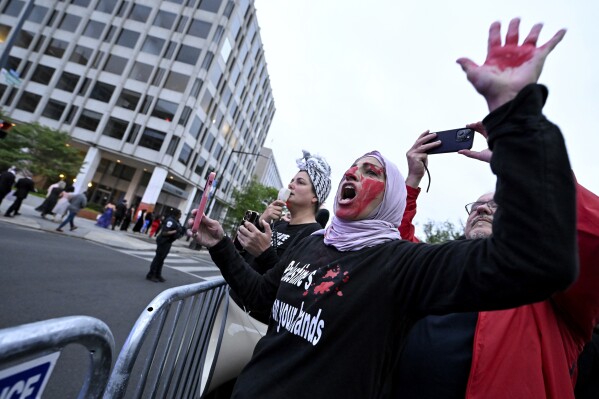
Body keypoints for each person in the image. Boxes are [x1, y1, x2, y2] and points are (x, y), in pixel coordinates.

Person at [187, 18, 577, 398]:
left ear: (389, 202)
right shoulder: (313, 245)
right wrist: (221, 245)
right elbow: (263, 298)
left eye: (370, 171)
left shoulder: (399, 265)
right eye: (351, 167)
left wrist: (517, 120)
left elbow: (538, 261)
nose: (352, 173)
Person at [393, 128, 599, 398]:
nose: (481, 209)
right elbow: (395, 250)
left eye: (497, 206)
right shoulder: (437, 269)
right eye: (476, 206)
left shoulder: (550, 286)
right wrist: (412, 180)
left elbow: (592, 237)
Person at [146, 209, 184, 282]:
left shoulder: (176, 221)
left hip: (168, 242)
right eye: (180, 214)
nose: (181, 215)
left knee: (162, 259)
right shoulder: (170, 221)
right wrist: (175, 231)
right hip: (163, 241)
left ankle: (158, 274)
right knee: (158, 259)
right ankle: (151, 274)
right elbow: (164, 233)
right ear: (177, 214)